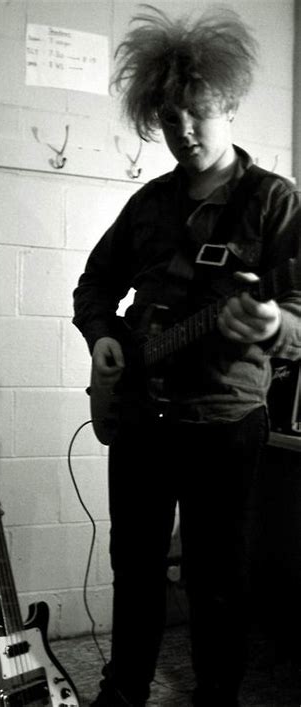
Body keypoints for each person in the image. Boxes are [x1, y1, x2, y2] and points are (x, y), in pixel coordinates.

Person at [73, 5, 301, 707]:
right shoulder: (147, 204)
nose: (184, 131)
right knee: (134, 565)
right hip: (140, 415)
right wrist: (104, 337)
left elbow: (299, 318)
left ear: (228, 104)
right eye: (170, 118)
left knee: (217, 576)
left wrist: (272, 323)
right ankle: (124, 686)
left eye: (198, 113)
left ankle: (217, 694)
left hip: (224, 420)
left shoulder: (272, 202)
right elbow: (94, 288)